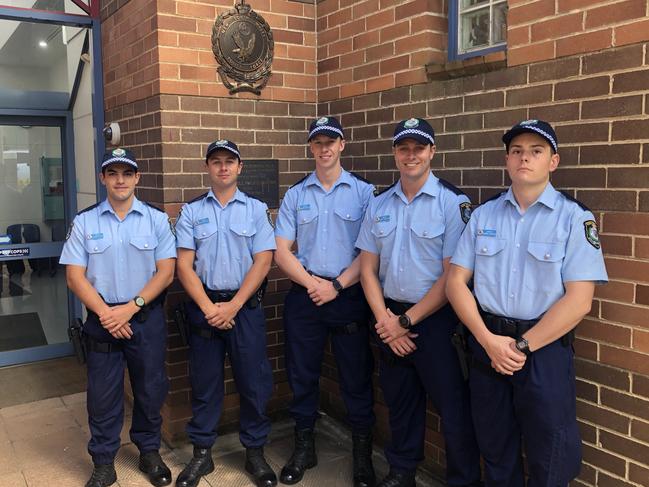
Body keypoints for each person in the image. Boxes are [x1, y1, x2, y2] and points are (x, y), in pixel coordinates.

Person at [446, 119, 608, 487]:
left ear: (553, 161)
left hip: (543, 351)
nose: (524, 158)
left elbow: (580, 301)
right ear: (507, 160)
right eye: (516, 151)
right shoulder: (483, 215)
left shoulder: (573, 218)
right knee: (495, 447)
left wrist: (521, 347)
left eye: (536, 151)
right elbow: (456, 282)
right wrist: (488, 341)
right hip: (488, 347)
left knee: (551, 454)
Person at [356, 118, 481, 487]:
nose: (411, 155)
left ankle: (464, 481)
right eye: (404, 148)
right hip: (389, 315)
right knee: (400, 402)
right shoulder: (379, 204)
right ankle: (401, 472)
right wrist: (385, 321)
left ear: (432, 152)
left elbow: (452, 277)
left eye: (419, 148)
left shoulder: (452, 203)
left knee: (453, 409)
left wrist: (405, 322)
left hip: (436, 322)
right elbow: (367, 270)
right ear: (395, 153)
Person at [60, 148, 176, 487]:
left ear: (137, 177)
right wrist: (107, 313)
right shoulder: (85, 221)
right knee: (102, 395)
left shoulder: (155, 220)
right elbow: (75, 277)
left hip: (145, 318)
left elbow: (166, 271)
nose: (120, 180)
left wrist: (131, 307)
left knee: (151, 389)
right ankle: (103, 462)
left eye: (127, 173)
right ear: (103, 178)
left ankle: (149, 452)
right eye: (113, 173)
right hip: (102, 319)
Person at [274, 116, 376, 487]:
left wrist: (336, 285)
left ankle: (361, 454)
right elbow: (281, 251)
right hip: (305, 299)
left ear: (342, 145)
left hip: (348, 297)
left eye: (330, 141)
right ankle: (304, 447)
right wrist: (313, 284)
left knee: (356, 377)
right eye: (317, 142)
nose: (324, 148)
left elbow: (371, 251)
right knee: (302, 375)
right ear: (311, 148)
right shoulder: (296, 195)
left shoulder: (365, 193)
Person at [174, 139, 277, 487]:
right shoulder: (190, 212)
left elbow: (264, 260)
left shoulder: (255, 209)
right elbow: (185, 266)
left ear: (239, 167)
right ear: (207, 167)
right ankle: (202, 455)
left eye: (229, 162)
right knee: (204, 385)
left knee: (253, 383)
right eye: (215, 161)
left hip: (243, 309)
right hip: (204, 309)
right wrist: (208, 308)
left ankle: (255, 452)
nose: (222, 167)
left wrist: (232, 306)